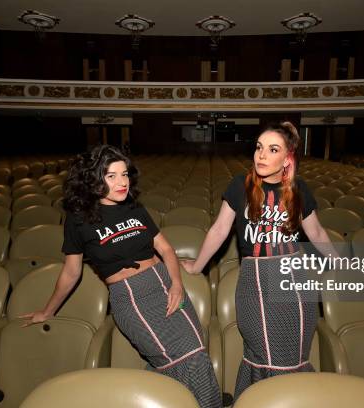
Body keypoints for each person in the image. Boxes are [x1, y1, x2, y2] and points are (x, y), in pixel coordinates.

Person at [20, 145, 222, 408]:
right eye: (111, 176)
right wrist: (48, 311)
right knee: (186, 361)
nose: (122, 182)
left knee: (197, 356)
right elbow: (71, 272)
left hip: (164, 283)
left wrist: (177, 284)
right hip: (132, 298)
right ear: (93, 180)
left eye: (124, 174)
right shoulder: (78, 221)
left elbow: (166, 249)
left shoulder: (134, 208)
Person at [182, 121, 339, 401]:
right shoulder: (239, 186)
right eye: (258, 147)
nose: (261, 155)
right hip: (255, 283)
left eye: (272, 149)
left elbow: (316, 231)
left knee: (291, 357)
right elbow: (219, 230)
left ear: (287, 158)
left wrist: (340, 264)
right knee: (262, 353)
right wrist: (197, 266)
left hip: (296, 283)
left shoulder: (299, 189)